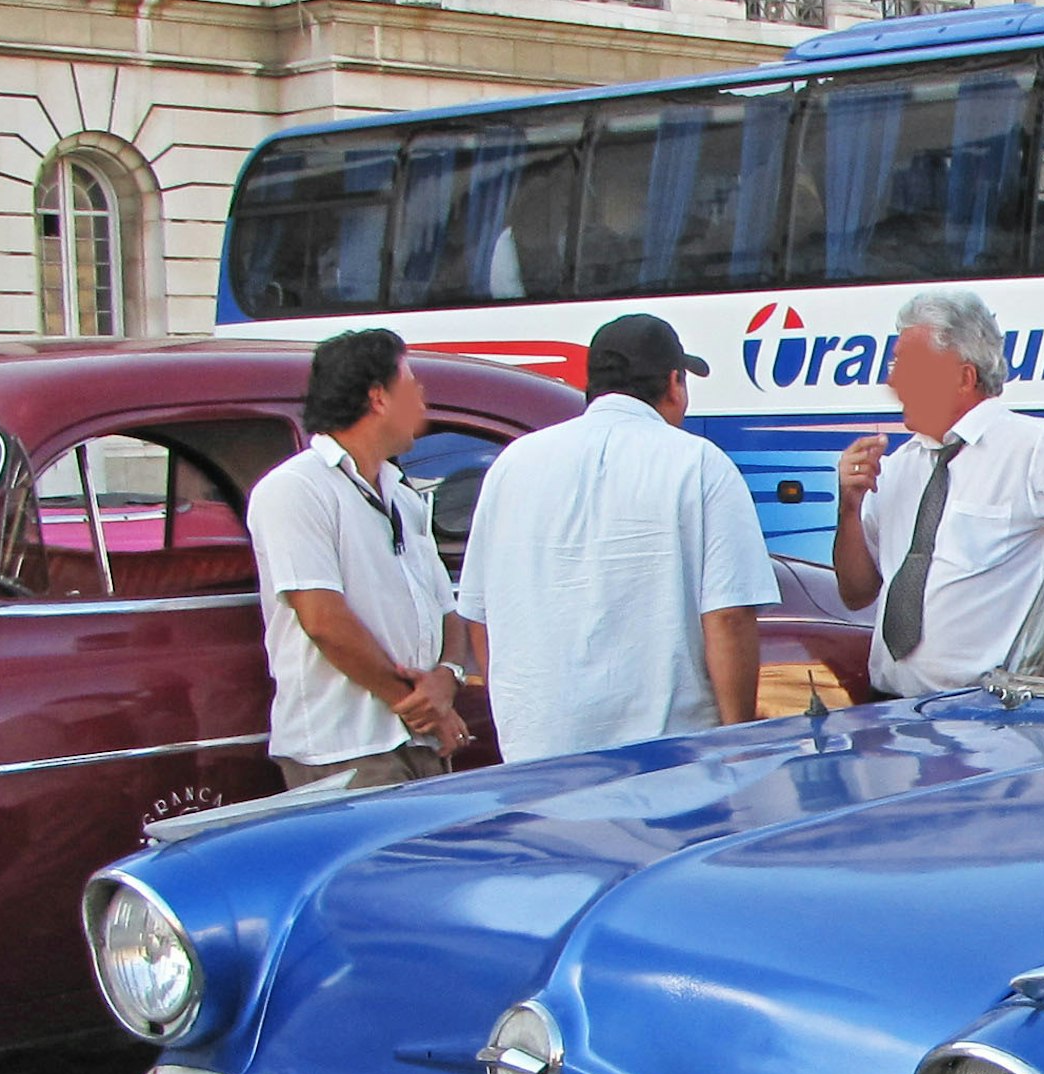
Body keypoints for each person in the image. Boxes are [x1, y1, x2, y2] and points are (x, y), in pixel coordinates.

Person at [452, 312, 774, 761]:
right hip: (667, 761)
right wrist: (737, 741)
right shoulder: (699, 463)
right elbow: (728, 617)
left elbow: (480, 615)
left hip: (537, 762)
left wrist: (522, 718)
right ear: (674, 384)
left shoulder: (513, 463)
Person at [835, 288, 1044, 699]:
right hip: (887, 710)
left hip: (984, 715)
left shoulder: (1039, 449)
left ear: (964, 377)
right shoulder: (901, 464)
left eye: (908, 365)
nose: (892, 380)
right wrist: (848, 507)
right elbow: (856, 594)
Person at [249, 327, 470, 788]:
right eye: (412, 387)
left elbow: (444, 609)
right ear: (378, 398)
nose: (422, 403)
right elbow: (324, 620)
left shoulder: (402, 496)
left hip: (417, 744)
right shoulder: (296, 489)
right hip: (344, 747)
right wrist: (422, 711)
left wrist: (447, 679)